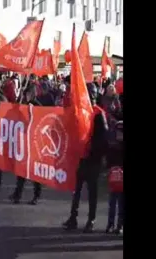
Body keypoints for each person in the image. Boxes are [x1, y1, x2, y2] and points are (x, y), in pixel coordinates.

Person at [62, 82, 109, 233]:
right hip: (81, 158)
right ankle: (73, 217)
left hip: (92, 160)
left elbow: (103, 139)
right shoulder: (82, 112)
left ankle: (91, 220)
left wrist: (95, 153)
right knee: (76, 190)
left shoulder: (98, 113)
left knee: (92, 192)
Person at [9, 84, 43, 205]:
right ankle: (17, 194)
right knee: (21, 170)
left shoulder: (37, 105)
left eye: (27, 94)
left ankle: (36, 195)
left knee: (35, 173)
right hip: (24, 142)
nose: (26, 96)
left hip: (33, 143)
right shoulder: (24, 104)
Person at [106, 121, 123, 234]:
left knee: (121, 203)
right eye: (118, 132)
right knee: (112, 202)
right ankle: (110, 224)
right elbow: (109, 160)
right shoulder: (112, 146)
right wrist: (110, 168)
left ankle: (120, 225)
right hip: (114, 177)